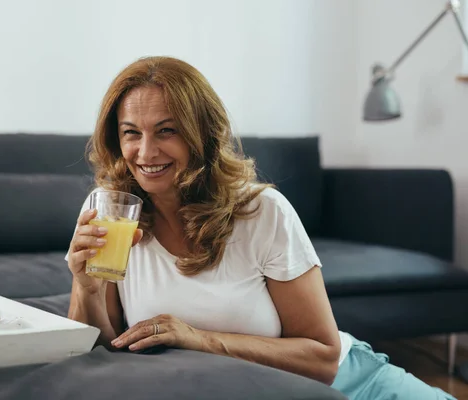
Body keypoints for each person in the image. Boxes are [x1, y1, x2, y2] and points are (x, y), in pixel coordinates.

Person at [65, 56, 455, 400]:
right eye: (131, 132)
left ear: (201, 133)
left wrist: (199, 339)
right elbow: (105, 350)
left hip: (347, 385)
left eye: (167, 130)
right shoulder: (110, 212)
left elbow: (324, 358)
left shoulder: (262, 211)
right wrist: (87, 288)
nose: (146, 152)